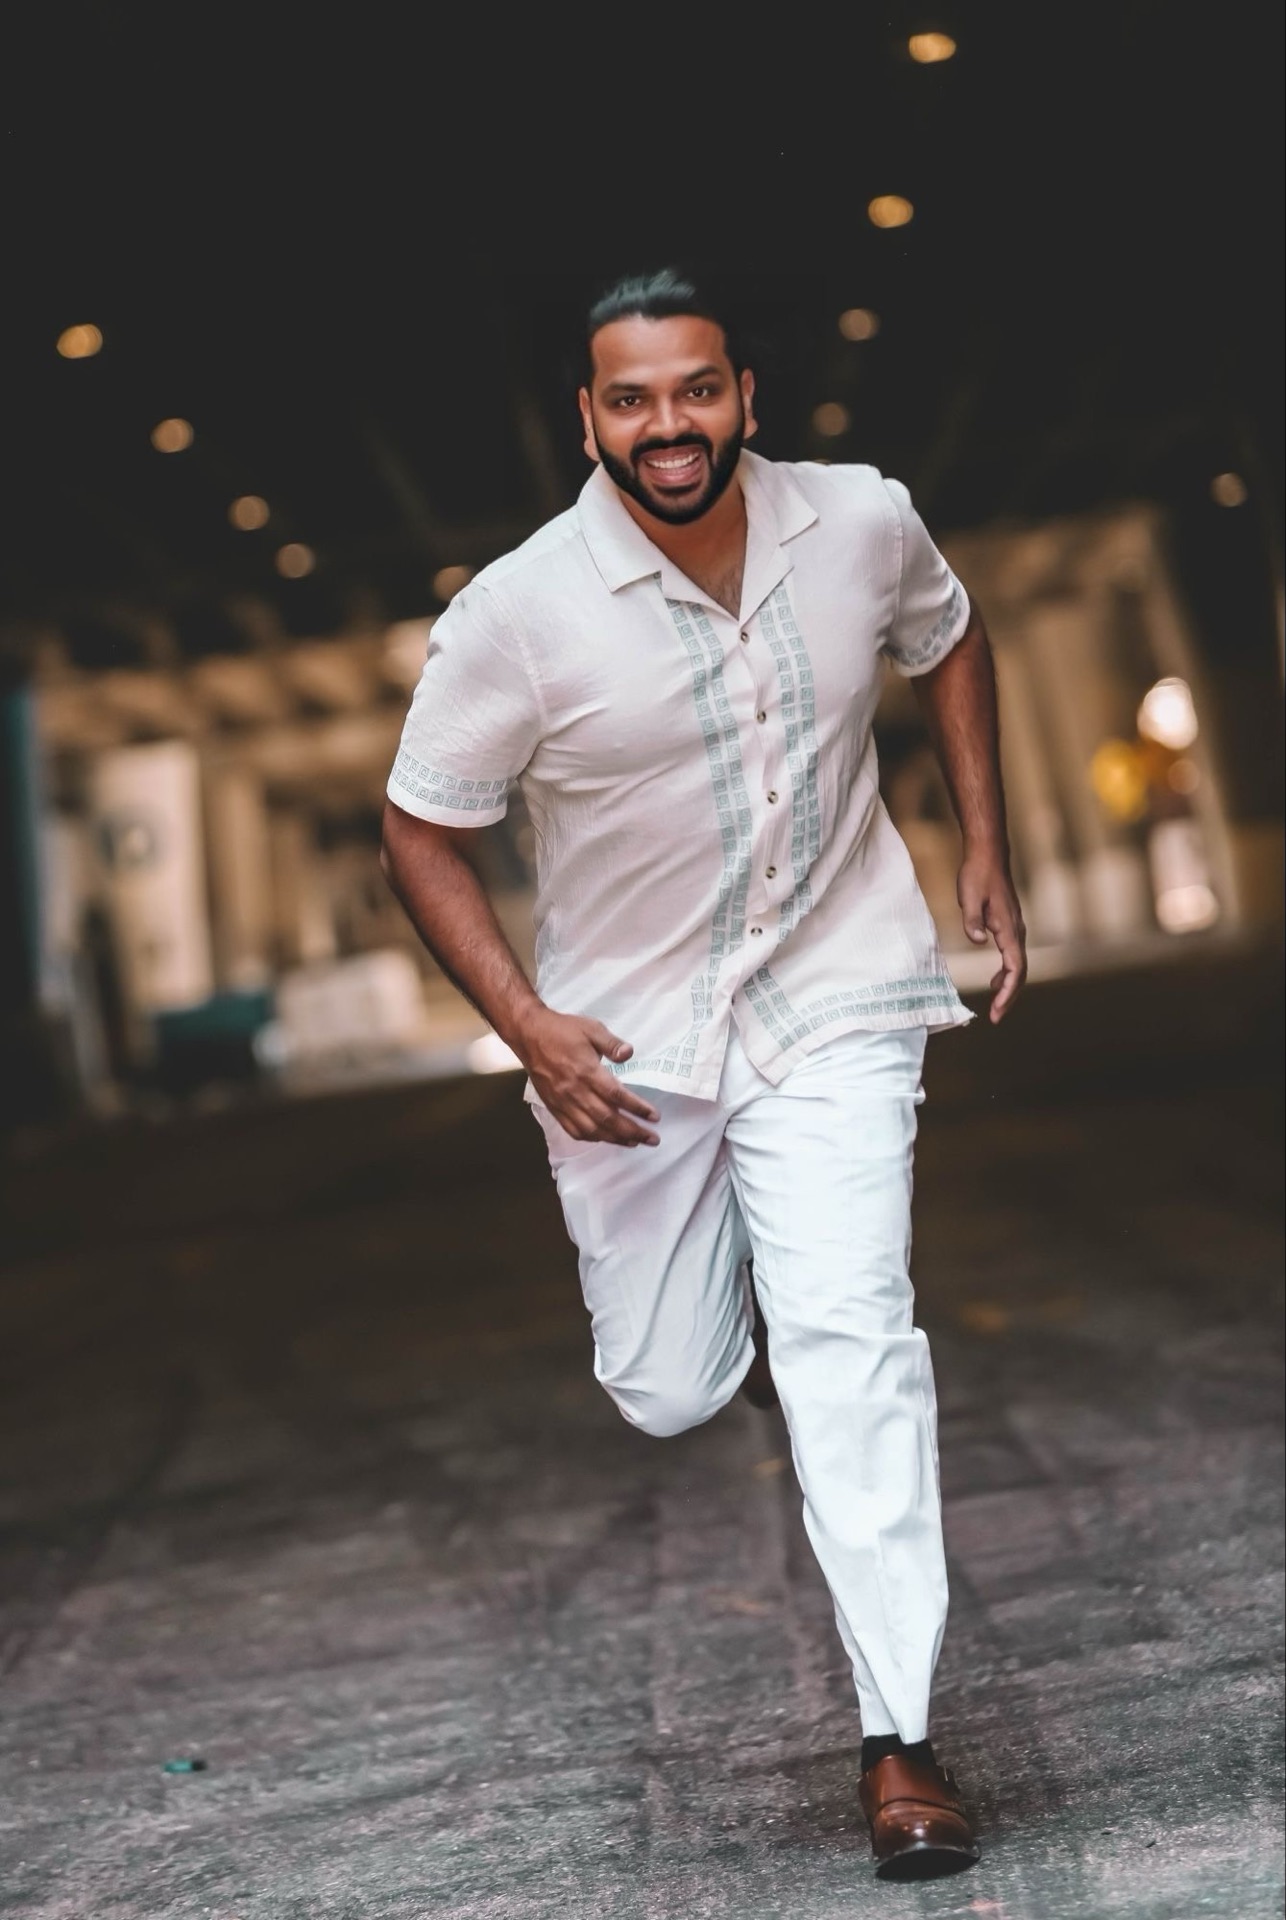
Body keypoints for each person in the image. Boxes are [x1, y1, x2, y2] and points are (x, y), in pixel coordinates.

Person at [381, 267, 1027, 1882]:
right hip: (629, 1048)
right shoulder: (519, 612)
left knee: (852, 1343)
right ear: (587, 419)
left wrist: (984, 845)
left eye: (693, 389)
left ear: (744, 393)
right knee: (666, 1385)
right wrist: (526, 1024)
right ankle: (755, 1339)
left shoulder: (859, 519)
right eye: (630, 399)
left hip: (834, 991)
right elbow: (419, 830)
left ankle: (898, 1744)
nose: (665, 424)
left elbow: (950, 638)